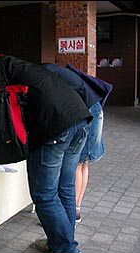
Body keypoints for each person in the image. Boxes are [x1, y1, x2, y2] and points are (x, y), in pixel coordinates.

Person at [0, 53, 93, 253]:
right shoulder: (23, 67)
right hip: (80, 121)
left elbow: (0, 120)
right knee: (65, 189)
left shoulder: (0, 77)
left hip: (56, 130)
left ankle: (66, 249)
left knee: (45, 195)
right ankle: (61, 243)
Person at [41, 63, 110, 224]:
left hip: (87, 112)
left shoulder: (45, 74)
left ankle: (73, 211)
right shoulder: (57, 71)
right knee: (84, 163)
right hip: (96, 109)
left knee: (77, 164)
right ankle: (76, 208)